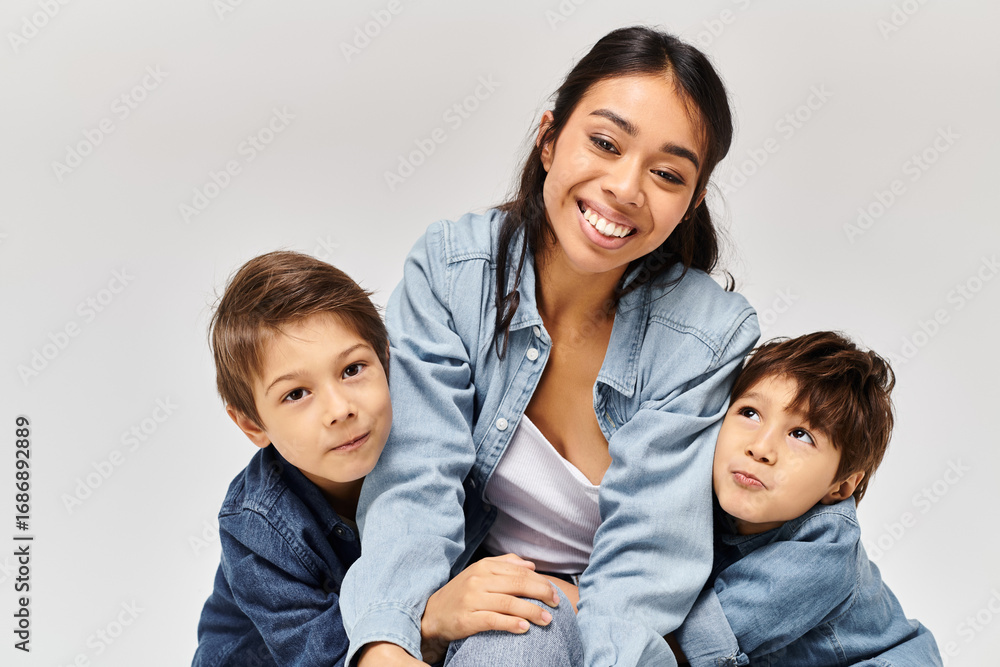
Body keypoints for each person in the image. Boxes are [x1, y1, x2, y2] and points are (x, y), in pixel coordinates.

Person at [341, 26, 760, 666]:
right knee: (509, 634)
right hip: (489, 599)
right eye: (604, 143)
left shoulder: (708, 336)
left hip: (625, 634)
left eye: (667, 174)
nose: (626, 188)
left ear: (692, 201)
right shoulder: (454, 272)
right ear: (548, 138)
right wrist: (388, 640)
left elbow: (649, 560)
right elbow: (415, 478)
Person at [675, 332, 943, 666]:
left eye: (801, 435)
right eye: (750, 413)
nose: (760, 448)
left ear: (840, 487)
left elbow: (689, 646)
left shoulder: (826, 548)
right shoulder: (694, 491)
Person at [192, 251, 395, 666]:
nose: (340, 409)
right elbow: (325, 658)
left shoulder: (430, 447)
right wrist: (432, 621)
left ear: (386, 359)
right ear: (252, 424)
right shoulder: (256, 524)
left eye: (352, 369)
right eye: (296, 394)